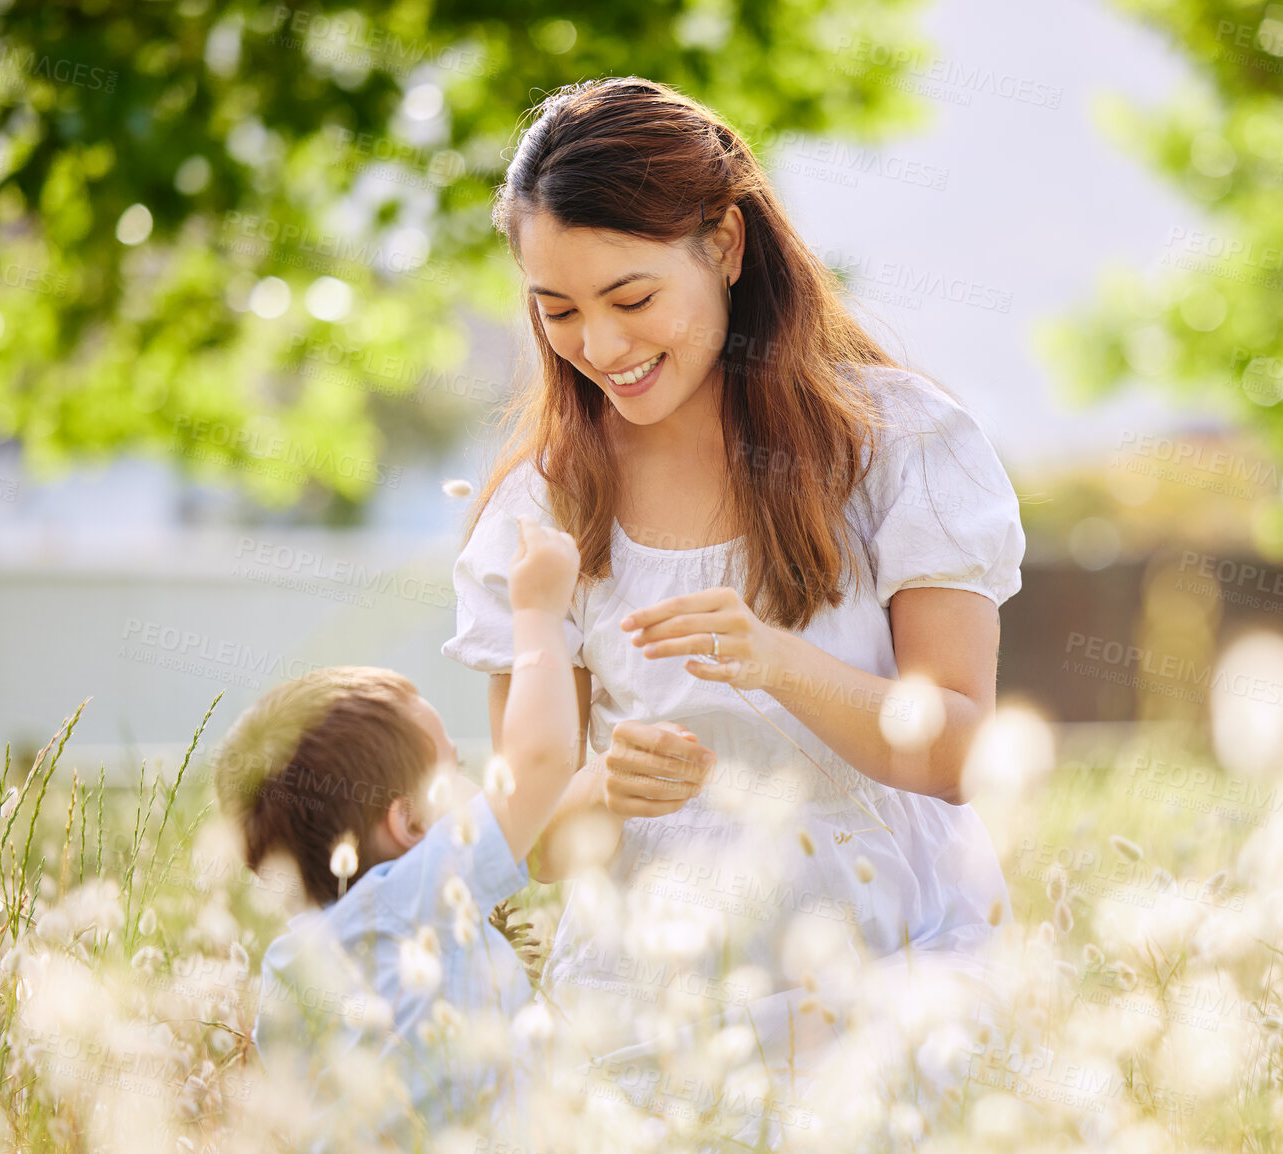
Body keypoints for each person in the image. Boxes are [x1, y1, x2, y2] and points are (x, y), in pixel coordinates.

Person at [440, 76, 1030, 1139]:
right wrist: (607, 790)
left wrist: (776, 661)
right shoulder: (544, 504)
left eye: (631, 298)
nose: (601, 347)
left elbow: (957, 753)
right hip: (653, 988)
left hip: (886, 958)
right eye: (557, 309)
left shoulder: (897, 444)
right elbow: (527, 842)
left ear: (724, 243)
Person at [215, 515, 582, 1148]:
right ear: (410, 822)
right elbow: (542, 762)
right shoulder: (421, 890)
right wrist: (539, 611)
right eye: (457, 771)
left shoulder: (291, 964)